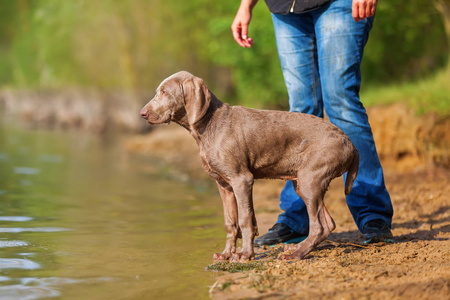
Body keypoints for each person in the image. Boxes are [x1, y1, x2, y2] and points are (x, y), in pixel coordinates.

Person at [231, 0, 394, 245]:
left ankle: (372, 213)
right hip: (285, 8)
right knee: (299, 109)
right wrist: (246, 5)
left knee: (341, 102)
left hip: (338, 3)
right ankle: (298, 217)